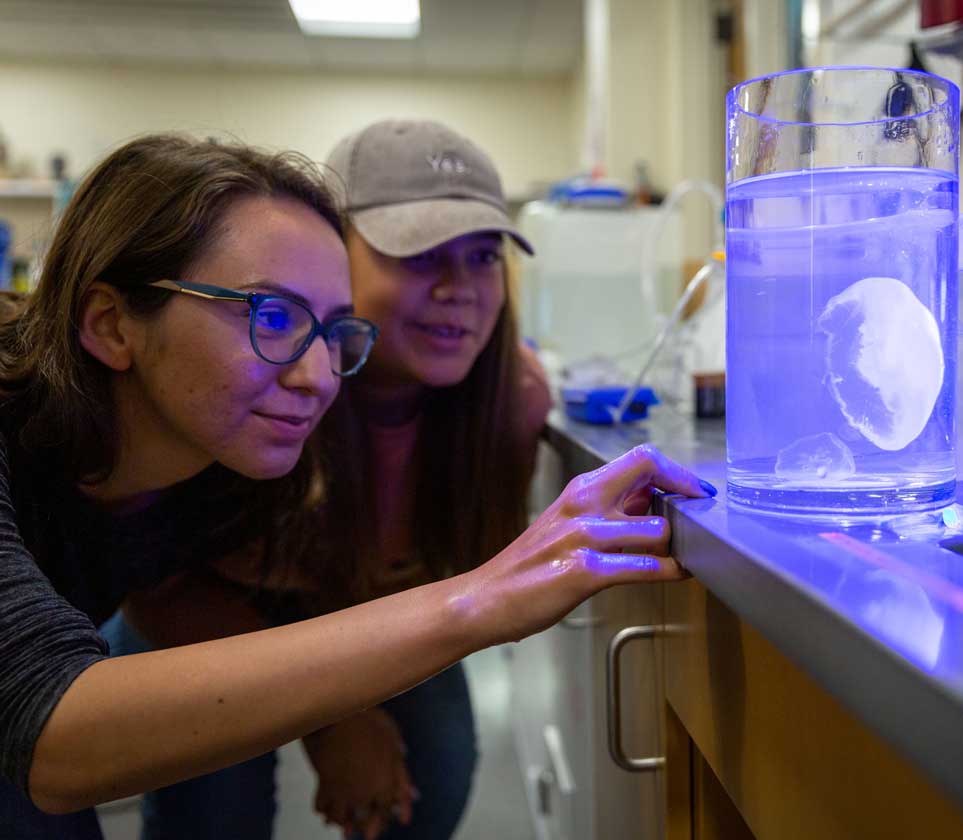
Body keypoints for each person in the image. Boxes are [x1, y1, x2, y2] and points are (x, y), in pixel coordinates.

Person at [0, 133, 712, 840]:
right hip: (168, 634)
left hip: (324, 605)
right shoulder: (219, 415)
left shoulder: (234, 428)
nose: (314, 378)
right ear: (109, 323)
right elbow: (53, 727)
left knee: (438, 761)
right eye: (270, 315)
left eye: (333, 330)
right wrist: (480, 601)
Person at [105, 119, 559, 840]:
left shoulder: (511, 400)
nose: (460, 289)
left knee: (435, 771)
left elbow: (459, 571)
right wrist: (334, 717)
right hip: (206, 606)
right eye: (419, 254)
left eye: (482, 256)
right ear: (330, 253)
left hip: (380, 600)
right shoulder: (245, 377)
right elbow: (156, 586)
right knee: (214, 806)